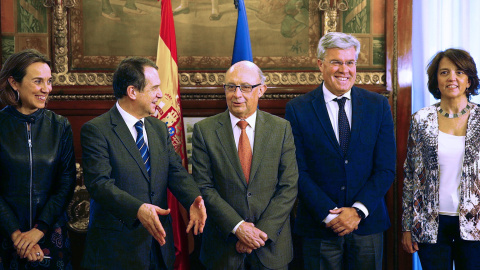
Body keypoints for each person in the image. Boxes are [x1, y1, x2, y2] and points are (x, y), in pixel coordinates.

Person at [80, 57, 207, 270]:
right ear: (132, 92)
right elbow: (100, 185)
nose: (160, 94)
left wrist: (193, 198)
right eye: (155, 88)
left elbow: (175, 171)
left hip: (158, 246)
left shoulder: (158, 128)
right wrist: (138, 209)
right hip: (117, 250)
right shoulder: (97, 130)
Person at [285, 32, 396, 269]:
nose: (344, 69)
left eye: (350, 62)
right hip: (320, 226)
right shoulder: (298, 109)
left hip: (367, 224)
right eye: (336, 62)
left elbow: (385, 168)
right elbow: (297, 170)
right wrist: (329, 215)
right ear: (320, 64)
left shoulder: (378, 106)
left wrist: (357, 211)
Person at [192, 60, 298, 270]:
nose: (237, 94)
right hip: (223, 249)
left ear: (262, 90)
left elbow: (288, 186)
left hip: (270, 247)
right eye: (231, 87)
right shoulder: (204, 131)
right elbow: (204, 187)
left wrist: (259, 234)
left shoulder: (281, 128)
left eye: (246, 87)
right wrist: (238, 227)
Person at [402, 48, 480, 270]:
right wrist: (407, 227)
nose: (452, 78)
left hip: (476, 225)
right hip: (430, 225)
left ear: (469, 80)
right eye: (444, 72)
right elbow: (410, 176)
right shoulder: (421, 120)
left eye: (460, 72)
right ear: (436, 81)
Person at [0, 49, 76, 269]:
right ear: (14, 83)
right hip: (5, 233)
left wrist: (38, 231)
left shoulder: (60, 126)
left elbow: (66, 183)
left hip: (50, 233)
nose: (46, 89)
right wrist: (17, 235)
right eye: (38, 81)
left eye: (49, 81)